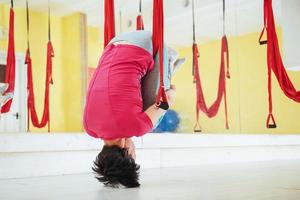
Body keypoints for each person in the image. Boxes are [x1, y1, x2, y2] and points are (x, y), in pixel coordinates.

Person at [83, 30, 185, 188]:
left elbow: (167, 99)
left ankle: (169, 63)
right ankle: (167, 67)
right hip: (112, 45)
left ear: (126, 150)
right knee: (140, 112)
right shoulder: (89, 127)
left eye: (134, 155)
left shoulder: (136, 127)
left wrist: (172, 90)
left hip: (144, 43)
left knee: (154, 118)